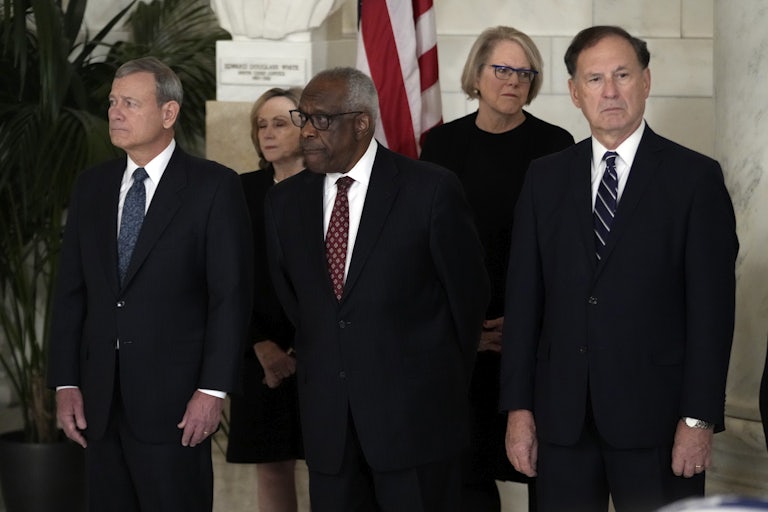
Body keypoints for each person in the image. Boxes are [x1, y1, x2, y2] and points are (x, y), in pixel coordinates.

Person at [500, 25, 738, 512]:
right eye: (594, 79)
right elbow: (524, 303)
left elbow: (713, 313)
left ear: (645, 82)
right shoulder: (545, 178)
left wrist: (698, 420)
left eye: (622, 75)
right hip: (561, 420)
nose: (610, 91)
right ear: (574, 92)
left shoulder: (695, 178)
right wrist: (519, 410)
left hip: (657, 421)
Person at [264, 67, 490, 512]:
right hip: (329, 427)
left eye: (320, 120)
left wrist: (432, 385)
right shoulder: (283, 202)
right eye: (301, 117)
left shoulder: (430, 189)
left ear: (362, 123)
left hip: (416, 428)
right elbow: (299, 304)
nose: (305, 131)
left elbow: (468, 302)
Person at [47, 56, 253, 512]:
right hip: (98, 403)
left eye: (130, 103)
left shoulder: (213, 187)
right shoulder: (91, 187)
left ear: (168, 113)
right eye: (113, 102)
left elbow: (230, 296)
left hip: (176, 405)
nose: (115, 112)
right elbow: (71, 293)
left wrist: (213, 390)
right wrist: (64, 383)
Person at [420, 25, 574, 511]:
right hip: (464, 338)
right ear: (477, 75)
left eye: (525, 72)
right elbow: (428, 248)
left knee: (544, 471)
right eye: (502, 69)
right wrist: (468, 330)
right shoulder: (441, 145)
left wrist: (527, 327)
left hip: (539, 338)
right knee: (468, 477)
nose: (514, 81)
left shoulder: (557, 143)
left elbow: (568, 251)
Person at [226, 87, 305, 512]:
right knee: (272, 466)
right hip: (256, 351)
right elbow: (227, 280)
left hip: (323, 351)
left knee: (337, 465)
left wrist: (303, 347)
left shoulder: (330, 187)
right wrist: (260, 345)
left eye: (280, 123)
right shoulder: (240, 191)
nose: (268, 133)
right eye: (261, 125)